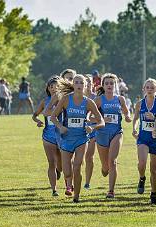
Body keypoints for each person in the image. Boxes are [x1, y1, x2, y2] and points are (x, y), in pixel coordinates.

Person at [51, 74, 105, 203]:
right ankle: (70, 184)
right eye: (76, 82)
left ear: (85, 86)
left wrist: (93, 128)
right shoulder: (65, 99)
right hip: (67, 138)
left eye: (81, 83)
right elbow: (53, 117)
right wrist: (60, 126)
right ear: (73, 85)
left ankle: (76, 196)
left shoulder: (89, 102)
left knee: (77, 166)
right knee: (67, 171)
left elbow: (101, 121)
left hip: (81, 138)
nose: (79, 85)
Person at [94, 73, 132, 199]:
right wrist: (102, 118)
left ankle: (111, 191)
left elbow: (127, 113)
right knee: (106, 167)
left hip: (117, 132)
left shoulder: (120, 99)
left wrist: (127, 117)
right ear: (103, 86)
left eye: (112, 83)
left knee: (113, 162)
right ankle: (104, 169)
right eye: (107, 83)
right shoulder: (99, 100)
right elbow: (89, 116)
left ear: (115, 85)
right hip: (102, 133)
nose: (109, 85)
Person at [132, 78, 156, 204]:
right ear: (143, 89)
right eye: (147, 87)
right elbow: (135, 118)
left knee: (154, 170)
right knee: (142, 163)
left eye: (152, 87)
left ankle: (153, 193)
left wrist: (155, 120)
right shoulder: (139, 103)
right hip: (143, 138)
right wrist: (134, 129)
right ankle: (142, 178)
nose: (149, 89)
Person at [32, 76, 63, 196]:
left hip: (61, 135)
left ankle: (58, 171)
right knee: (51, 162)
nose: (54, 88)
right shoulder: (45, 102)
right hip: (48, 135)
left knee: (61, 165)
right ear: (48, 89)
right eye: (51, 86)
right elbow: (34, 115)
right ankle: (54, 190)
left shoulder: (64, 100)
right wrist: (38, 121)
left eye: (56, 86)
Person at [83, 75, 97, 190]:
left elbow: (100, 117)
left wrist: (89, 119)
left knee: (89, 157)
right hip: (78, 131)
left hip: (93, 131)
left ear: (92, 84)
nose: (87, 85)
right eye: (85, 83)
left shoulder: (96, 98)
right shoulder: (76, 98)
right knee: (78, 158)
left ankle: (87, 182)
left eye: (89, 83)